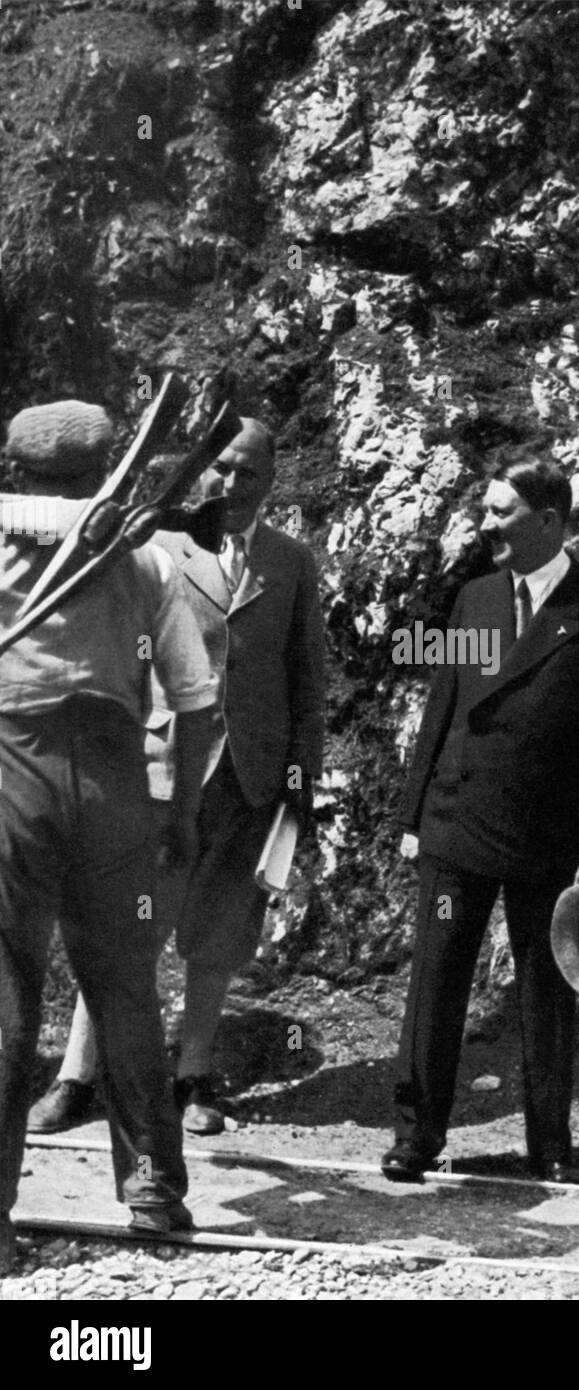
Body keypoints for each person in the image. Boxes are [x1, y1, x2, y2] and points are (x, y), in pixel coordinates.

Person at [29, 418, 326, 1138]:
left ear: (271, 479)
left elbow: (306, 677)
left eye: (249, 471)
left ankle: (194, 1074)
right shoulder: (155, 548)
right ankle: (77, 1078)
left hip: (248, 776)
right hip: (161, 768)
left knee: (217, 936)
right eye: (222, 466)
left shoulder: (290, 562)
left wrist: (299, 778)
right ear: (202, 470)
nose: (232, 482)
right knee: (124, 928)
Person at [382, 445, 579, 1183]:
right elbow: (441, 710)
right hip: (456, 822)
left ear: (548, 521)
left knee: (546, 990)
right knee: (436, 981)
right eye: (484, 511)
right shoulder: (474, 598)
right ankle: (417, 1135)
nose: (483, 526)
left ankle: (550, 1145)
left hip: (548, 835)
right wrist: (412, 819)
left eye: (499, 513)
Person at [0, 400, 217, 1272]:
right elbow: (196, 701)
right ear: (103, 473)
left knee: (9, 986)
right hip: (117, 782)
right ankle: (156, 1195)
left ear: (18, 470)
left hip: (13, 773)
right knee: (124, 985)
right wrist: (185, 813)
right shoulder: (148, 559)